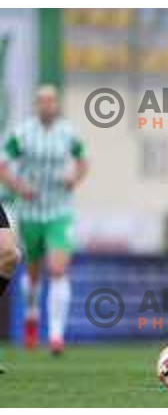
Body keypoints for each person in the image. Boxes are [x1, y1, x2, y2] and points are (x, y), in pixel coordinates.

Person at [0, 85, 88, 355]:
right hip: (30, 213)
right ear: (36, 105)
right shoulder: (23, 134)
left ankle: (56, 336)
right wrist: (18, 187)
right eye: (42, 101)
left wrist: (75, 177)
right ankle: (31, 316)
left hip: (59, 211)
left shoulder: (68, 133)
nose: (47, 105)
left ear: (56, 104)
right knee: (33, 272)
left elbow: (82, 161)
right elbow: (3, 164)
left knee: (58, 269)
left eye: (51, 101)